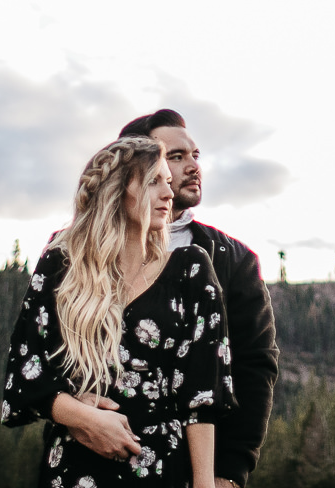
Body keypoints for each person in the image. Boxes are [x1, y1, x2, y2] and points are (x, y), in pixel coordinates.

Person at [2, 136, 236, 487]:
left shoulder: (190, 270)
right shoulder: (61, 266)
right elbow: (23, 376)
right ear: (119, 190)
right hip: (73, 470)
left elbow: (201, 396)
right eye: (155, 181)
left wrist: (204, 484)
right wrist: (83, 418)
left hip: (162, 470)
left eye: (169, 183)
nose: (169, 194)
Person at [119, 110, 277, 488]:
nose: (193, 166)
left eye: (195, 155)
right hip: (93, 460)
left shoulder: (232, 260)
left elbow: (254, 368)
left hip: (191, 471)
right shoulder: (81, 249)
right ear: (135, 169)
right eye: (175, 157)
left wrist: (229, 472)